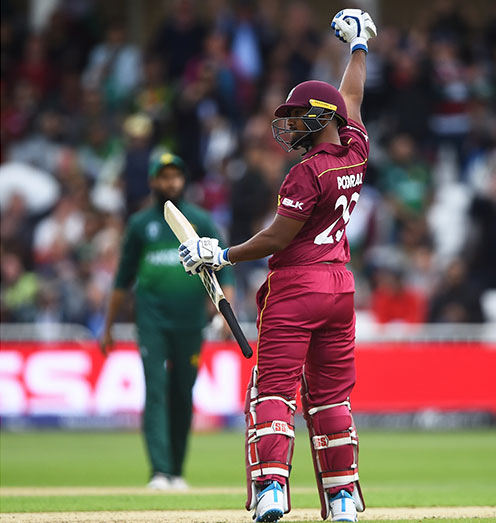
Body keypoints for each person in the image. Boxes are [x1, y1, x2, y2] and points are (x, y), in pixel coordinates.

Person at [176, 9, 377, 523]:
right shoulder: (355, 150)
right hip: (340, 288)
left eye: (297, 117)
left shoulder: (304, 174)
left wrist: (217, 253)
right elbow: (350, 97)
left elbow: (277, 238)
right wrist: (358, 46)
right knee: (331, 399)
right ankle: (343, 500)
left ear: (321, 119)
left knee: (273, 391)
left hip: (297, 286)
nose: (287, 126)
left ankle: (271, 490)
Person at [100, 152, 235, 490]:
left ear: (184, 180)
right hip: (152, 321)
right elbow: (121, 280)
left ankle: (176, 471)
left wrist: (224, 314)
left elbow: (223, 269)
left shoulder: (200, 221)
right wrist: (107, 327)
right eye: (164, 176)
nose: (170, 182)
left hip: (190, 322)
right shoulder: (139, 224)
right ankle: (160, 471)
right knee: (157, 392)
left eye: (176, 176)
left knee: (182, 393)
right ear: (153, 181)